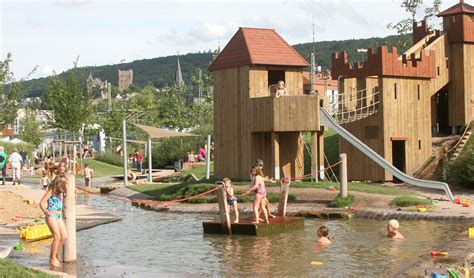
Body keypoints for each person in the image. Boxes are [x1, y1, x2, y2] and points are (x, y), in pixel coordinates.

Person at [39, 176, 68, 267]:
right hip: (51, 216)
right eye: (65, 184)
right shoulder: (51, 191)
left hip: (59, 216)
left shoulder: (61, 192)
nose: (66, 186)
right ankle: (52, 258)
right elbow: (41, 203)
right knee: (57, 237)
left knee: (64, 237)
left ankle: (54, 253)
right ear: (60, 185)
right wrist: (45, 211)